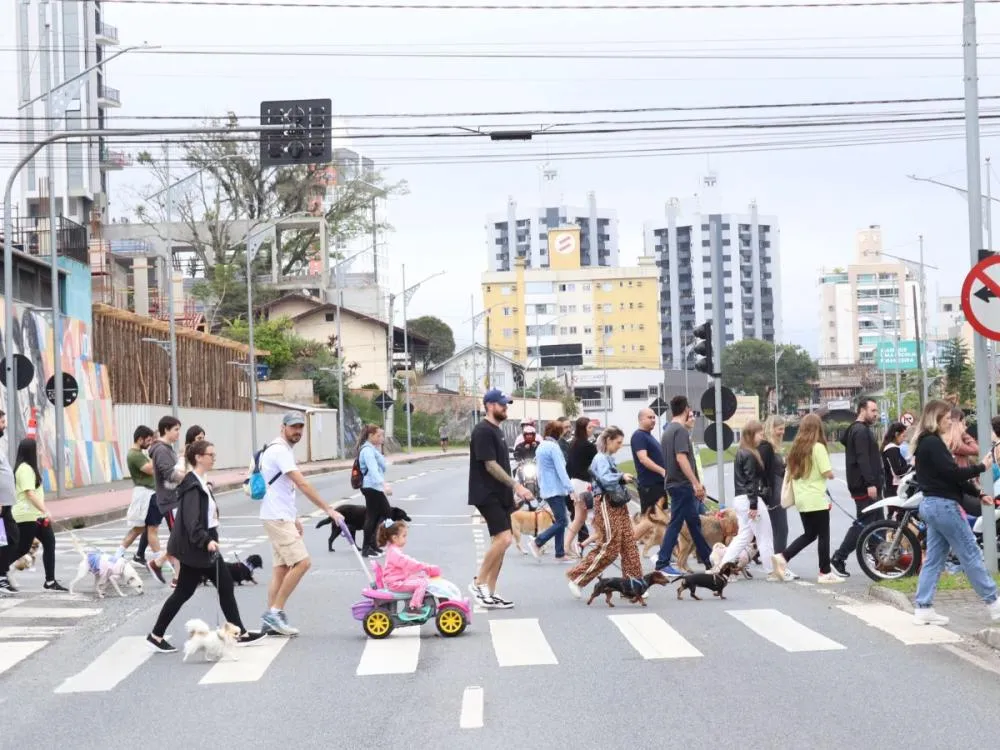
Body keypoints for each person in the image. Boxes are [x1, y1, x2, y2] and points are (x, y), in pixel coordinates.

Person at [146, 440, 266, 653]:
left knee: (186, 591)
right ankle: (241, 633)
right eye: (211, 454)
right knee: (224, 586)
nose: (214, 457)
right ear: (199, 457)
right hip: (199, 547)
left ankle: (156, 634)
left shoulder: (199, 481)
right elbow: (192, 522)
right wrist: (206, 540)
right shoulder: (193, 485)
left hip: (199, 546)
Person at [909, 400, 1000, 625]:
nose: (951, 422)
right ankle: (995, 603)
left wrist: (979, 495)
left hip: (932, 505)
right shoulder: (932, 443)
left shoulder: (927, 443)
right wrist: (981, 467)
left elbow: (949, 477)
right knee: (970, 553)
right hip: (943, 507)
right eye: (947, 418)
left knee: (935, 559)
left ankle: (923, 608)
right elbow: (952, 474)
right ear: (936, 418)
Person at [258, 413, 344, 636]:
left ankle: (271, 618)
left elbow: (283, 488)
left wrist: (294, 516)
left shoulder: (280, 450)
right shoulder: (280, 451)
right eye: (293, 427)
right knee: (302, 563)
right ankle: (275, 613)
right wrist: (328, 509)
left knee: (281, 569)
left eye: (300, 427)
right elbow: (302, 484)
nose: (298, 431)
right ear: (283, 427)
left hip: (278, 514)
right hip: (277, 517)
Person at [468, 389, 533, 609]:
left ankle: (491, 592)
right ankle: (478, 584)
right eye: (501, 404)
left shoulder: (498, 430)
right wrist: (516, 485)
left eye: (506, 404)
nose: (505, 407)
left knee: (501, 543)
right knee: (505, 538)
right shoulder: (483, 431)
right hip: (486, 493)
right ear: (488, 405)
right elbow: (490, 464)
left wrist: (513, 491)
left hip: (501, 494)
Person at [566, 426, 642, 598]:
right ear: (608, 441)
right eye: (618, 442)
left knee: (629, 544)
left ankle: (633, 585)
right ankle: (578, 578)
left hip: (617, 504)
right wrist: (621, 477)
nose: (620, 446)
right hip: (607, 503)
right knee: (609, 547)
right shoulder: (600, 458)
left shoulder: (607, 458)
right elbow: (606, 480)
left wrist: (621, 477)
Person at [772, 414, 843, 584]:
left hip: (802, 499)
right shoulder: (818, 447)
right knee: (823, 535)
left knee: (810, 534)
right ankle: (825, 572)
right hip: (816, 499)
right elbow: (827, 472)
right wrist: (832, 475)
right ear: (818, 428)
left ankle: (783, 556)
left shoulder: (796, 448)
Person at [655, 396, 712, 576]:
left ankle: (709, 560)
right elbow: (681, 458)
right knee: (676, 523)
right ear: (686, 409)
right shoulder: (679, 431)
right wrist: (696, 484)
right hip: (682, 484)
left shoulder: (667, 431)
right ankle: (662, 562)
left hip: (674, 483)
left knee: (694, 523)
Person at [830, 398, 883, 578]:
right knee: (864, 523)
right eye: (873, 410)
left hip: (868, 485)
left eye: (876, 411)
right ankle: (839, 557)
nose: (875, 414)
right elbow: (863, 459)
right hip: (865, 487)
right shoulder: (860, 431)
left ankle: (881, 562)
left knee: (877, 523)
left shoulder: (858, 429)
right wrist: (870, 483)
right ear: (862, 410)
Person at [718, 420, 776, 579]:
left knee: (744, 536)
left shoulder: (741, 452)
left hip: (740, 498)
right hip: (749, 498)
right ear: (751, 435)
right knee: (765, 534)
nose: (762, 437)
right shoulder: (750, 454)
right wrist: (754, 504)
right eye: (759, 434)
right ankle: (771, 570)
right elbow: (751, 481)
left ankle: (723, 566)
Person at [11, 438, 66, 591]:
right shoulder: (25, 469)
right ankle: (2, 572)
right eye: (38, 449)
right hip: (26, 515)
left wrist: (42, 512)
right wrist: (45, 510)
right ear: (31, 451)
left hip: (36, 515)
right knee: (22, 548)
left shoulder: (29, 468)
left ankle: (50, 581)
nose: (40, 451)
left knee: (49, 542)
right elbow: (30, 494)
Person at [527, 420, 574, 562]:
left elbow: (540, 471)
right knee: (562, 521)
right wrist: (570, 488)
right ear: (558, 433)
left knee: (560, 520)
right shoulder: (553, 447)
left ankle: (559, 553)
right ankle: (537, 542)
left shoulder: (541, 446)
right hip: (555, 489)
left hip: (547, 488)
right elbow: (561, 469)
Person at [147, 416, 185, 586]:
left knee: (180, 537)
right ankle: (172, 574)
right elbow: (169, 474)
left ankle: (173, 574)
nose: (178, 433)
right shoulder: (161, 450)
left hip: (174, 499)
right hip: (170, 500)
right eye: (176, 429)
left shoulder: (166, 448)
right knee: (179, 538)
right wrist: (187, 478)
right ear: (166, 430)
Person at [377, 519, 441, 617]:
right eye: (404, 536)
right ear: (394, 538)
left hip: (398, 579)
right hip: (396, 583)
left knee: (421, 578)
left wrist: (422, 569)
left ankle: (418, 601)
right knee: (422, 583)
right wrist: (426, 567)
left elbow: (407, 563)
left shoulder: (393, 549)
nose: (405, 539)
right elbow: (409, 563)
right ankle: (413, 607)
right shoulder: (395, 553)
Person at [117, 426, 161, 562]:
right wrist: (157, 451)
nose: (149, 443)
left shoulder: (140, 453)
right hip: (145, 495)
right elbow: (150, 469)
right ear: (140, 439)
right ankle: (159, 560)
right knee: (147, 529)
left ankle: (118, 555)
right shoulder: (134, 455)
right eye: (148, 441)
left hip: (148, 494)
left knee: (142, 528)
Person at [759, 416, 793, 568]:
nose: (782, 432)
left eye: (783, 429)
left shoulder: (771, 447)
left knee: (772, 529)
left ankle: (775, 561)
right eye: (779, 429)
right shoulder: (767, 447)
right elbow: (764, 471)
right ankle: (779, 564)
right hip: (774, 492)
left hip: (776, 490)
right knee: (781, 529)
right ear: (771, 429)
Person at [630, 408, 666, 543]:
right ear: (641, 419)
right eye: (649, 417)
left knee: (659, 519)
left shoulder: (649, 436)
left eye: (654, 417)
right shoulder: (639, 436)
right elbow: (643, 459)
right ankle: (627, 544)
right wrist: (662, 471)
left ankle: (665, 553)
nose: (653, 420)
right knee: (650, 520)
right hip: (650, 485)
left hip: (658, 484)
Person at [358, 424, 393, 558]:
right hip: (371, 487)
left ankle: (373, 546)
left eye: (381, 435)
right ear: (370, 436)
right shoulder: (367, 450)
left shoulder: (373, 449)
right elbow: (372, 469)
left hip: (374, 487)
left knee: (378, 516)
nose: (381, 438)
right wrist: (384, 484)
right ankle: (367, 548)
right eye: (378, 435)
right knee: (379, 515)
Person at [564, 416, 596, 556]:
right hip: (583, 484)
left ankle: (567, 546)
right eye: (589, 427)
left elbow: (569, 466)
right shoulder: (588, 446)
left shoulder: (573, 444)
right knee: (591, 516)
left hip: (574, 483)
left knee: (579, 518)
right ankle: (575, 544)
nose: (592, 430)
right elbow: (596, 465)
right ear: (583, 429)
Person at [0, 411, 22, 595]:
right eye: (2, 421)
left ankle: (2, 576)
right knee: (9, 539)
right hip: (1, 504)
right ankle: (1, 578)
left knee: (9, 539)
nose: (4, 425)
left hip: (5, 504)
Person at [881, 421, 910, 500]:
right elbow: (897, 472)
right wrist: (912, 466)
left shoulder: (889, 448)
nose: (904, 439)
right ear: (896, 434)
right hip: (894, 489)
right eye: (903, 436)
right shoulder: (892, 449)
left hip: (890, 488)